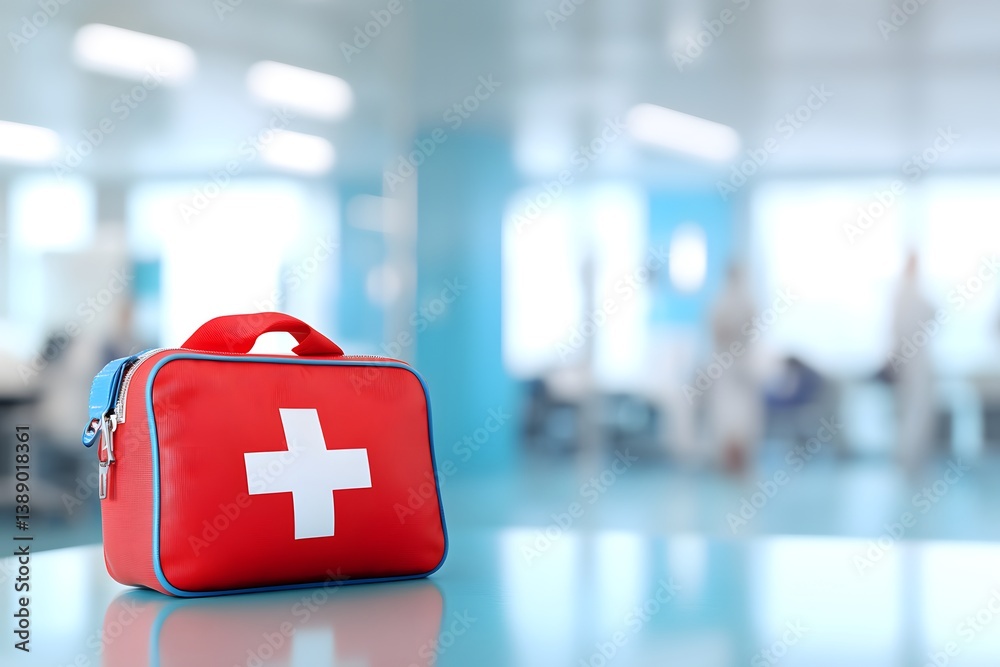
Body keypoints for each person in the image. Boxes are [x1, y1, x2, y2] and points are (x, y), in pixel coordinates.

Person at [706, 263, 763, 473]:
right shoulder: (721, 301)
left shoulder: (744, 301)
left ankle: (740, 458)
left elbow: (749, 328)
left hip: (742, 366)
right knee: (728, 415)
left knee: (742, 415)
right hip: (726, 367)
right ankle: (729, 458)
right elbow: (717, 330)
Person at [890, 252, 936, 472]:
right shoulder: (906, 293)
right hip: (912, 361)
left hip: (910, 359)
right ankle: (909, 457)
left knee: (914, 408)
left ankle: (912, 456)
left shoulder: (906, 293)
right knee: (915, 408)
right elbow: (930, 312)